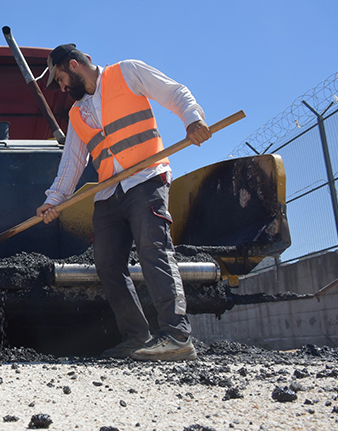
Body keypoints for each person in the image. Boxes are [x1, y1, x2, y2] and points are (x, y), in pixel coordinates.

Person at [36, 44, 211, 361]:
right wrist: (53, 200)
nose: (60, 88)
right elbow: (71, 163)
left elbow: (175, 92)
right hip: (107, 193)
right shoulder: (77, 114)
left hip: (146, 179)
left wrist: (193, 120)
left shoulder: (127, 72)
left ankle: (176, 336)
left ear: (74, 65)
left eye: (60, 79)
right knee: (106, 264)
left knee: (153, 251)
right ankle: (136, 337)